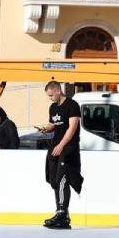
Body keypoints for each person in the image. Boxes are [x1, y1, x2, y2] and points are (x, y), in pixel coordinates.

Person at [37, 80, 82, 229]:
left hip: (68, 148)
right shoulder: (53, 107)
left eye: (51, 95)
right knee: (54, 180)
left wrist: (62, 145)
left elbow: (72, 128)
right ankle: (61, 213)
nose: (50, 98)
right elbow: (53, 124)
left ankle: (62, 213)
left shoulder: (72, 105)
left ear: (58, 91)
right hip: (55, 146)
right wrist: (46, 128)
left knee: (63, 179)